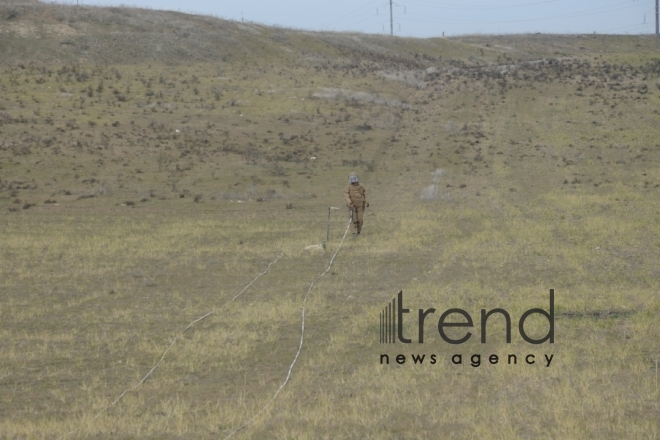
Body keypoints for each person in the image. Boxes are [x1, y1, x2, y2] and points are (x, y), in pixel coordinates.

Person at [344, 172, 369, 237]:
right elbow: (346, 195)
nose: (353, 180)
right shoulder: (348, 187)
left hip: (360, 205)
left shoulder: (361, 186)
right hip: (352, 206)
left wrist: (366, 202)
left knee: (360, 219)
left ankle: (358, 232)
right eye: (351, 179)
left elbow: (365, 193)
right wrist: (349, 202)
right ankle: (353, 233)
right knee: (353, 219)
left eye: (354, 178)